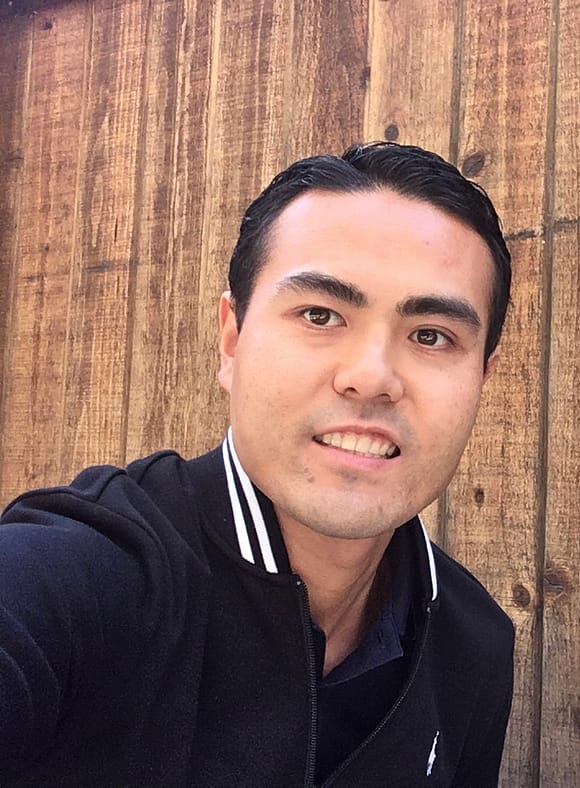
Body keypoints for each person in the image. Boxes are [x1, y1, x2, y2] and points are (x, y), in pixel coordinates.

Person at [0, 142, 514, 786]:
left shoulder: (474, 643)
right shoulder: (86, 577)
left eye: (431, 336)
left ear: (482, 378)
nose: (372, 377)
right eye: (320, 315)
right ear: (232, 340)